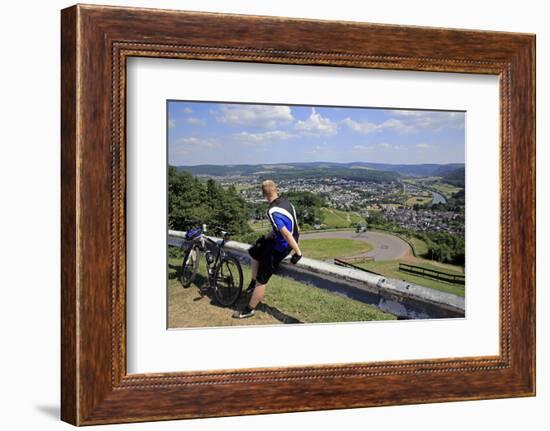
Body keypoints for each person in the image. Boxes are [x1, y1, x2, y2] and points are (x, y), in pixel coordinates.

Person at [232, 180, 303, 319]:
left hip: (282, 246)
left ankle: (249, 309)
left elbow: (286, 233)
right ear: (275, 189)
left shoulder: (272, 211)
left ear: (264, 194)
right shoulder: (287, 203)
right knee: (253, 252)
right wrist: (266, 237)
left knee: (262, 279)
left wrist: (298, 252)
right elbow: (292, 227)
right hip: (285, 239)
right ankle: (253, 283)